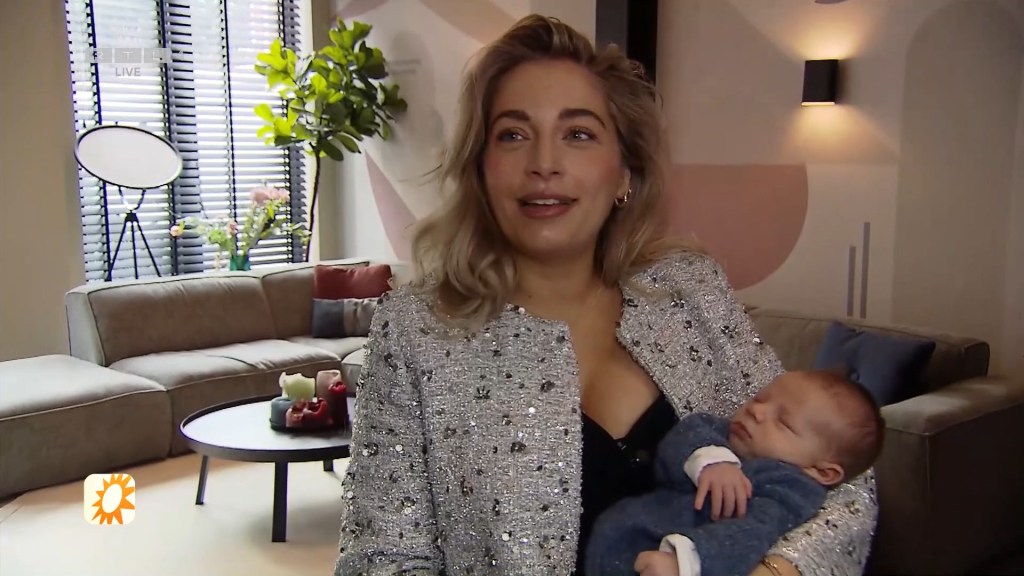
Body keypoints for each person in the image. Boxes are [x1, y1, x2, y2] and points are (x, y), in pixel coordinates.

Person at [334, 13, 877, 576]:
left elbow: (843, 482)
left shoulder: (690, 290)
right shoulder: (417, 328)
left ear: (624, 174)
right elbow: (383, 559)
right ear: (481, 170)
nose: (544, 164)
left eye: (578, 134)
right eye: (513, 135)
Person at [584, 370, 885, 576]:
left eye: (783, 422)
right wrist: (713, 460)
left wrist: (686, 562)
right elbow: (684, 436)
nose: (757, 411)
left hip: (659, 555)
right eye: (760, 398)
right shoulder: (721, 434)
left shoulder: (790, 490)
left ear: (822, 471)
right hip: (620, 536)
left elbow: (747, 536)